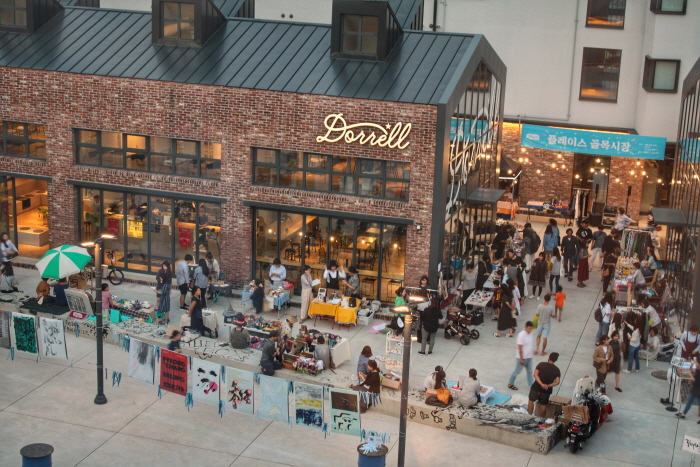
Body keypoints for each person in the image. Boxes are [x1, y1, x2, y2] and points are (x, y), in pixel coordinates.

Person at [527, 352, 561, 417]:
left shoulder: (541, 364)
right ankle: (542, 418)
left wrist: (541, 384)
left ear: (549, 358)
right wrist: (547, 386)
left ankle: (529, 415)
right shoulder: (557, 370)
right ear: (556, 360)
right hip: (546, 390)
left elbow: (535, 375)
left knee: (531, 401)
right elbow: (557, 382)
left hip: (536, 387)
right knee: (543, 405)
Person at [508, 321, 535, 391]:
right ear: (525, 328)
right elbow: (520, 348)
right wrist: (521, 359)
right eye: (529, 328)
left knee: (529, 372)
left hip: (529, 357)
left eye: (531, 328)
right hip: (522, 358)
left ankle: (531, 385)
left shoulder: (531, 333)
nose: (530, 330)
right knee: (517, 371)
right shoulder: (521, 335)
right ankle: (510, 383)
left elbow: (530, 344)